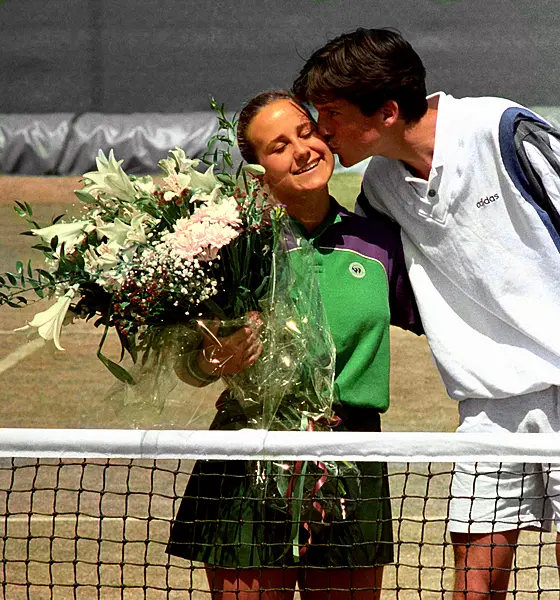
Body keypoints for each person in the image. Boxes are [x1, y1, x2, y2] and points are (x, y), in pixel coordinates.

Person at [292, 28, 560, 600]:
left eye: (330, 113)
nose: (322, 128)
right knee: (473, 586)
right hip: (485, 406)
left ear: (385, 111)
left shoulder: (505, 129)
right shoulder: (380, 186)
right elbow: (372, 278)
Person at [166, 90, 422, 600]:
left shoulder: (381, 244)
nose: (302, 150)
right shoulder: (229, 249)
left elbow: (449, 322)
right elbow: (188, 363)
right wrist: (208, 360)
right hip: (247, 456)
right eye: (278, 145)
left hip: (352, 457)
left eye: (306, 133)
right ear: (258, 169)